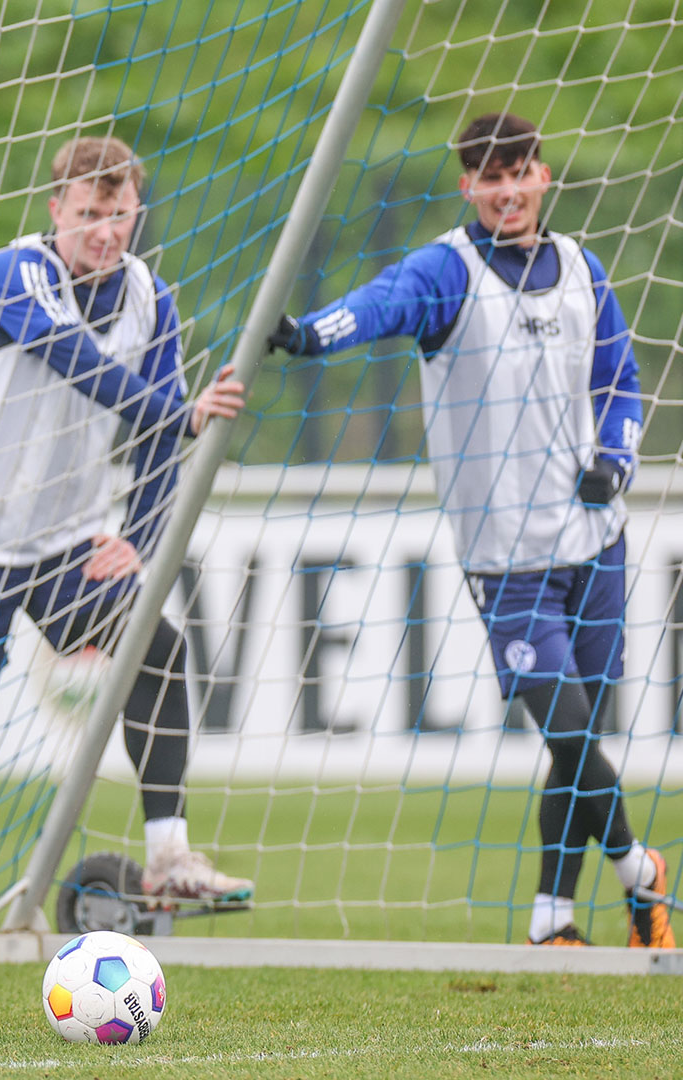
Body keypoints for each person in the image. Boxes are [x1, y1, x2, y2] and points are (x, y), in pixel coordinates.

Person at [270, 112, 673, 948]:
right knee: (563, 725)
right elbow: (381, 306)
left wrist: (617, 462)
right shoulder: (446, 272)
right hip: (509, 563)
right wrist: (310, 336)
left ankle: (551, 920)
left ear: (543, 175)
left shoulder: (583, 270)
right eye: (489, 178)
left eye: (519, 172)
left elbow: (621, 380)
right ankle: (642, 872)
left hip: (596, 542)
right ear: (468, 187)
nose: (507, 190)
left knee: (579, 743)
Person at [0, 135, 253, 936]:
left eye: (119, 215)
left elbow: (163, 441)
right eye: (89, 214)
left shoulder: (150, 299)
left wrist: (142, 533)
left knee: (155, 647)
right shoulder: (14, 273)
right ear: (57, 210)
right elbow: (74, 361)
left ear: (136, 211)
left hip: (67, 541)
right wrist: (180, 411)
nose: (105, 231)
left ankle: (169, 856)